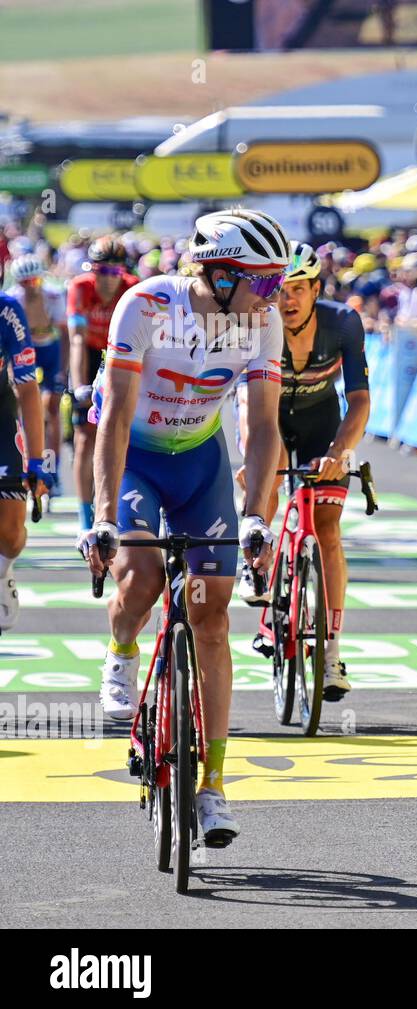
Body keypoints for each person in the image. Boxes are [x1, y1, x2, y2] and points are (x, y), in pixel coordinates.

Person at [78, 208, 287, 846]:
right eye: (266, 280)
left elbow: (261, 425)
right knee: (139, 578)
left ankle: (214, 786)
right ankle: (121, 650)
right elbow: (112, 415)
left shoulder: (261, 322)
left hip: (200, 465)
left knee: (213, 617)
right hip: (136, 460)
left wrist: (256, 511)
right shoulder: (146, 305)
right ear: (221, 275)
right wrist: (104, 515)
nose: (274, 294)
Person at [235, 241, 370, 700]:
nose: (286, 301)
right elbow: (236, 396)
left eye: (297, 289)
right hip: (265, 417)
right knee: (267, 478)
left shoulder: (343, 323)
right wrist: (249, 460)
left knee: (327, 529)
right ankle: (258, 560)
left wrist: (339, 451)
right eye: (278, 290)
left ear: (316, 289)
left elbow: (360, 400)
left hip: (320, 423)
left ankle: (331, 652)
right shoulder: (254, 322)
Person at [67, 236, 138, 531]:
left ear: (122, 272)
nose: (108, 280)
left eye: (114, 272)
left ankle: (120, 504)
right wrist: (79, 386)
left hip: (121, 355)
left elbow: (141, 343)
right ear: (91, 270)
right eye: (100, 271)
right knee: (85, 438)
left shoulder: (133, 288)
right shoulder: (80, 288)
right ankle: (86, 515)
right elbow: (77, 340)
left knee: (124, 433)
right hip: (90, 352)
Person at [0, 290, 51, 630]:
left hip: (0, 418)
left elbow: (29, 389)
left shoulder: (8, 311)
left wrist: (36, 462)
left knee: (9, 530)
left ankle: (2, 572)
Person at [6, 255, 66, 493]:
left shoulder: (53, 295)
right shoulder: (12, 299)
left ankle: (56, 469)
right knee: (22, 406)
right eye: (25, 282)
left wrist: (63, 369)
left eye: (35, 281)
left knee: (52, 408)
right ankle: (26, 462)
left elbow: (67, 334)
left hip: (49, 350)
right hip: (24, 350)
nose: (31, 286)